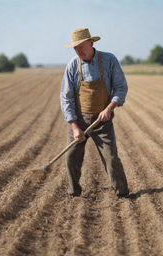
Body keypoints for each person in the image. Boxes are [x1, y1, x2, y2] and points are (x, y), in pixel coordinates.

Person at [60, 28, 129, 198]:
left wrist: (109, 108)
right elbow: (66, 98)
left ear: (91, 43)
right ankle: (73, 192)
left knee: (111, 158)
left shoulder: (109, 60)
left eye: (82, 46)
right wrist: (75, 126)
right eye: (76, 48)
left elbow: (121, 87)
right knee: (71, 157)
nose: (79, 51)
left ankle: (122, 193)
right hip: (79, 119)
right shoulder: (72, 66)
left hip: (102, 121)